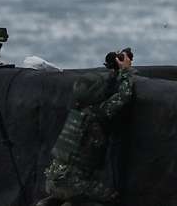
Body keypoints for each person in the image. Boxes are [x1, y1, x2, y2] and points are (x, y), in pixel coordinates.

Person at [36, 53, 134, 206]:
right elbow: (124, 95)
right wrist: (126, 71)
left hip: (53, 180)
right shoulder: (97, 114)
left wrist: (114, 70)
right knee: (112, 197)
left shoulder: (77, 112)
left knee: (63, 197)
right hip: (74, 183)